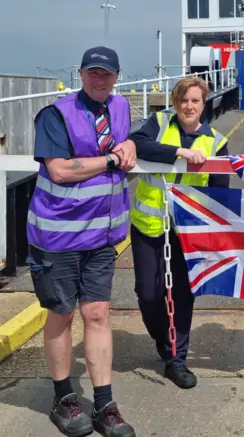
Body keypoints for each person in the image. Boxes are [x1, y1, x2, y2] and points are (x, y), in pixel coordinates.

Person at [27, 46, 136, 437]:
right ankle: (63, 398)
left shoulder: (121, 108)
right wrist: (110, 159)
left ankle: (104, 402)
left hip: (100, 237)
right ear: (80, 73)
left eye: (106, 74)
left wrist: (132, 145)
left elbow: (130, 139)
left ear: (117, 76)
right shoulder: (56, 115)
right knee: (61, 316)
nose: (99, 79)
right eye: (92, 73)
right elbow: (58, 171)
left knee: (98, 314)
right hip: (57, 237)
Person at [129, 76, 229, 389]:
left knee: (182, 295)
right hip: (148, 226)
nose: (189, 106)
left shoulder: (216, 142)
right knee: (148, 294)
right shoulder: (158, 123)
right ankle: (164, 337)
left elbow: (219, 194)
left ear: (204, 104)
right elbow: (138, 143)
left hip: (187, 232)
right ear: (176, 102)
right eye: (184, 100)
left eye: (195, 101)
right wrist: (180, 154)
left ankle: (177, 358)